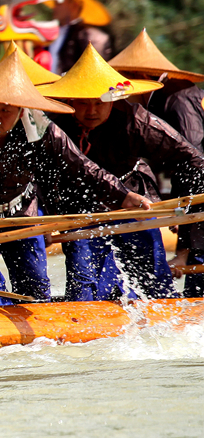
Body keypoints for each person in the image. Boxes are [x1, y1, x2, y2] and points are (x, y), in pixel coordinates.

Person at [0, 54, 149, 303]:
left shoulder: (42, 130)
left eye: (5, 110)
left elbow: (81, 167)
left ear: (21, 110)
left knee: (35, 290)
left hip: (22, 215)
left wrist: (123, 195)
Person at [42, 48, 204, 300]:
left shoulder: (136, 120)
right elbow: (40, 174)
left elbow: (193, 159)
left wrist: (186, 208)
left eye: (99, 103)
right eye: (83, 102)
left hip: (134, 203)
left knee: (154, 282)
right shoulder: (54, 123)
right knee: (84, 284)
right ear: (70, 100)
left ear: (114, 100)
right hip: (81, 207)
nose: (92, 110)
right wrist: (44, 219)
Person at [109, 30, 204, 150]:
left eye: (123, 82)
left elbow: (193, 152)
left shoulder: (178, 97)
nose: (120, 90)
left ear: (141, 76)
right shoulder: (160, 99)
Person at [48, 0, 114, 73]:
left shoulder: (91, 38)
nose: (54, 6)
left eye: (59, 2)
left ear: (74, 5)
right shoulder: (51, 33)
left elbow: (93, 73)